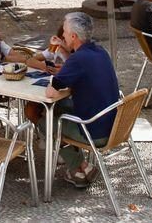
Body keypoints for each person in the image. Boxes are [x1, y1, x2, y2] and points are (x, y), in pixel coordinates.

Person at [47, 12, 121, 188]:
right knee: (61, 108)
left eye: (65, 32)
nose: (62, 35)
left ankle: (78, 167)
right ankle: (82, 168)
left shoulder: (78, 59)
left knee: (46, 122)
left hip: (94, 131)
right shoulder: (100, 51)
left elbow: (51, 92)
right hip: (114, 125)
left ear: (73, 36)